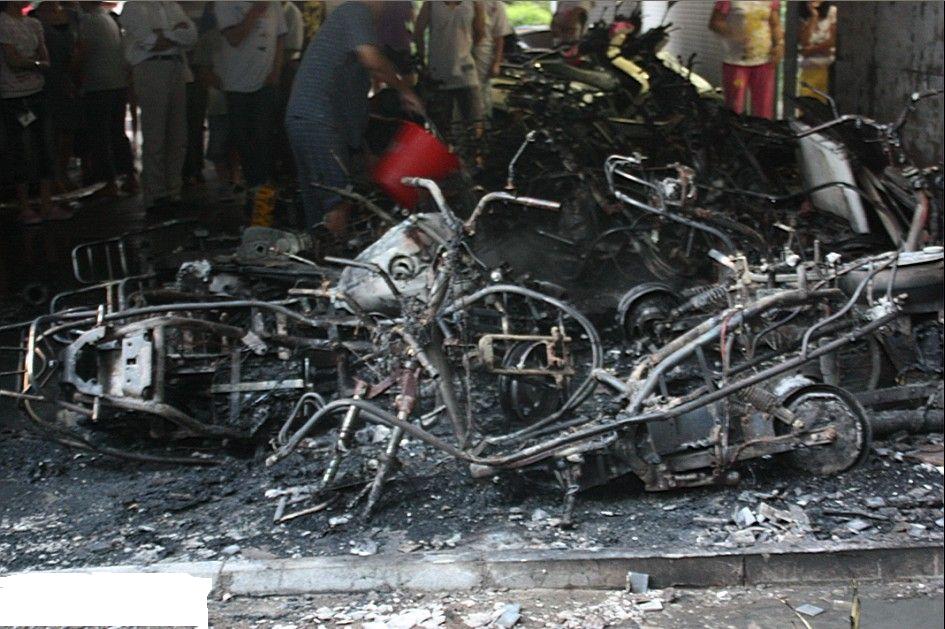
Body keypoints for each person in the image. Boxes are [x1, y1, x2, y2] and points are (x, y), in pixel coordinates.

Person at [285, 0, 421, 236]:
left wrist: (363, 149)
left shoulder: (353, 24)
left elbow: (353, 96)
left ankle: (320, 253)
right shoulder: (355, 11)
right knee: (338, 202)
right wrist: (404, 90)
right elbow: (371, 58)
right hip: (318, 120)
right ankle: (335, 255)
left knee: (320, 206)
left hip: (309, 119)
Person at [1, 0, 73, 224]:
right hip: (13, 96)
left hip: (36, 91)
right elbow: (13, 61)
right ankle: (25, 205)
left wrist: (30, 62)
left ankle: (45, 203)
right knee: (21, 149)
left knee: (44, 146)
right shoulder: (4, 24)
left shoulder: (34, 24)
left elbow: (41, 58)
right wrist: (36, 63)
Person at [120, 0, 196, 211]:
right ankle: (156, 194)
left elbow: (191, 37)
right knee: (156, 134)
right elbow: (151, 41)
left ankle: (173, 190)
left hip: (175, 66)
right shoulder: (134, 7)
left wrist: (164, 34)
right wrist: (175, 34)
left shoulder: (172, 6)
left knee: (177, 134)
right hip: (150, 68)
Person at [214, 1, 287, 198]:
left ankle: (265, 188)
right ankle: (254, 185)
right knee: (243, 138)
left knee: (264, 136)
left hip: (265, 82)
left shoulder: (273, 4)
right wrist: (255, 11)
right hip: (237, 84)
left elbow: (280, 37)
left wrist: (276, 70)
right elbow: (234, 38)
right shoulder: (224, 4)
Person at [74, 0, 131, 198]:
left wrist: (70, 74)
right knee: (117, 132)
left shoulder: (89, 21)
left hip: (98, 85)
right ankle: (129, 176)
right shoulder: (108, 19)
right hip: (117, 83)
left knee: (100, 135)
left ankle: (108, 181)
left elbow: (83, 52)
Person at [414, 0, 484, 150]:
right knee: (440, 127)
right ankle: (445, 157)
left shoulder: (474, 3)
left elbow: (480, 32)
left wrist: (465, 48)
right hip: (438, 72)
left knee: (475, 122)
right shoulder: (431, 3)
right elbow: (418, 30)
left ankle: (476, 155)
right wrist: (422, 59)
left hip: (466, 71)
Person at [31, 1, 79, 193]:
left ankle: (61, 172)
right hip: (50, 83)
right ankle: (54, 176)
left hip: (66, 81)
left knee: (66, 131)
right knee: (53, 132)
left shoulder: (70, 17)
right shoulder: (38, 23)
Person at [709, 0, 783, 120]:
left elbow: (775, 24)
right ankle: (734, 130)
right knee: (735, 106)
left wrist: (779, 45)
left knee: (764, 107)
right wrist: (734, 34)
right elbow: (714, 23)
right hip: (736, 62)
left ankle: (761, 131)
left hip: (764, 61)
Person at [474, 0, 511, 121]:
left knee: (481, 92)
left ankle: (483, 124)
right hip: (463, 52)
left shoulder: (496, 4)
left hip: (484, 53)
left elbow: (499, 37)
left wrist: (496, 63)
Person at [797, 0, 836, 102]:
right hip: (809, 68)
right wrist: (814, 17)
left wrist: (811, 50)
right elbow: (805, 42)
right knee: (808, 102)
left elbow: (832, 41)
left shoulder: (832, 12)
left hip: (828, 67)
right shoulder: (805, 16)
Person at [377, 0, 415, 84]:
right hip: (400, 43)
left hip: (381, 43)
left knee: (380, 77)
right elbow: (411, 19)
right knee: (408, 79)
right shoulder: (405, 2)